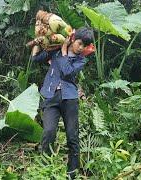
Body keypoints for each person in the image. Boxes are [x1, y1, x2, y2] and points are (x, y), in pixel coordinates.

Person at [31, 27, 94, 179]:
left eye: (84, 46)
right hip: (51, 97)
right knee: (48, 132)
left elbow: (67, 71)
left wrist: (65, 50)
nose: (81, 48)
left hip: (70, 98)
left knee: (72, 137)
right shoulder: (56, 50)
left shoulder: (81, 60)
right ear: (73, 39)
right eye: (79, 43)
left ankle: (71, 174)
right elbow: (35, 59)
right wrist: (37, 42)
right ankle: (45, 170)